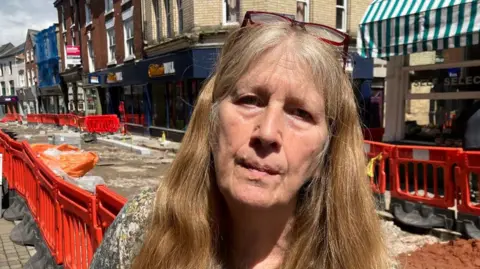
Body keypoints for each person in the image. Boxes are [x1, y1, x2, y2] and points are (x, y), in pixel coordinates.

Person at [89, 11, 388, 269]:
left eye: (300, 113)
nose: (268, 133)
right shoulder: (145, 226)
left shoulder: (358, 260)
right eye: (250, 100)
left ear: (327, 152)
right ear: (212, 119)